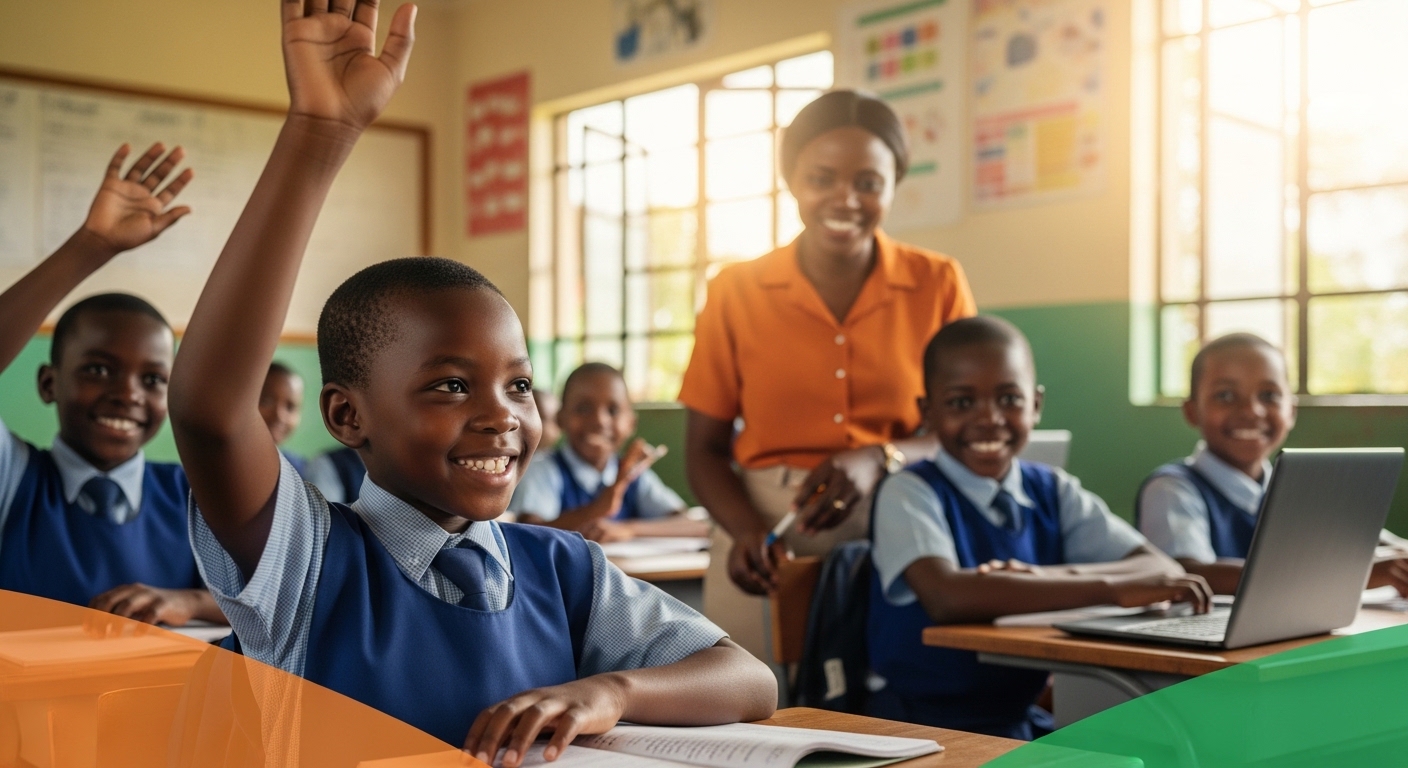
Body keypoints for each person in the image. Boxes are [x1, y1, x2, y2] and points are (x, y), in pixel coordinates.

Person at [166, 4, 774, 765]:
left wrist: (611, 691)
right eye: (452, 387)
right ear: (348, 416)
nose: (501, 417)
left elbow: (748, 679)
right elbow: (209, 412)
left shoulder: (562, 569)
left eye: (519, 387)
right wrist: (320, 136)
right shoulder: (306, 559)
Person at [681, 89, 977, 660]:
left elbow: (960, 429)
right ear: (793, 179)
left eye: (869, 182)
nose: (845, 198)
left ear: (893, 185)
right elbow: (704, 449)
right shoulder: (735, 291)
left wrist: (879, 456)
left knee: (892, 708)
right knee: (755, 709)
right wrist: (745, 531)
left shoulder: (937, 282)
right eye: (822, 178)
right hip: (767, 528)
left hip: (904, 518)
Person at [867, 316, 1210, 739]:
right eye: (961, 403)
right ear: (927, 412)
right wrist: (1109, 588)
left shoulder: (1051, 489)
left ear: (1036, 404)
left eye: (1009, 399)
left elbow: (1160, 569)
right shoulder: (908, 492)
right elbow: (947, 595)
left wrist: (1044, 577)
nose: (989, 419)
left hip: (1015, 723)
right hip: (914, 727)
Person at [0, 142, 223, 626]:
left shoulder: (195, 492)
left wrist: (190, 602)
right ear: (48, 383)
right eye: (98, 370)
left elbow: (274, 600)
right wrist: (92, 246)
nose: (128, 393)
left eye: (153, 379)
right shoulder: (13, 478)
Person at [1137, 333, 1408, 595]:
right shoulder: (1172, 489)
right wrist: (1351, 574)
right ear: (1192, 411)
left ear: (1291, 411)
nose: (1251, 411)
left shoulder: (1297, 489)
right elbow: (1187, 574)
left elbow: (1377, 541)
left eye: (1268, 396)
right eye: (1226, 396)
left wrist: (1398, 565)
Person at [512, 363, 710, 542]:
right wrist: (599, 508)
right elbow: (528, 532)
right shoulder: (544, 470)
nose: (599, 421)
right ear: (560, 419)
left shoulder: (631, 475)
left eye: (613, 411)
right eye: (583, 409)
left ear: (631, 423)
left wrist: (628, 529)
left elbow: (695, 525)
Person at [259, 361, 306, 474]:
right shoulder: (219, 462)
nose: (279, 416)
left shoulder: (299, 471)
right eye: (267, 401)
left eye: (290, 407)